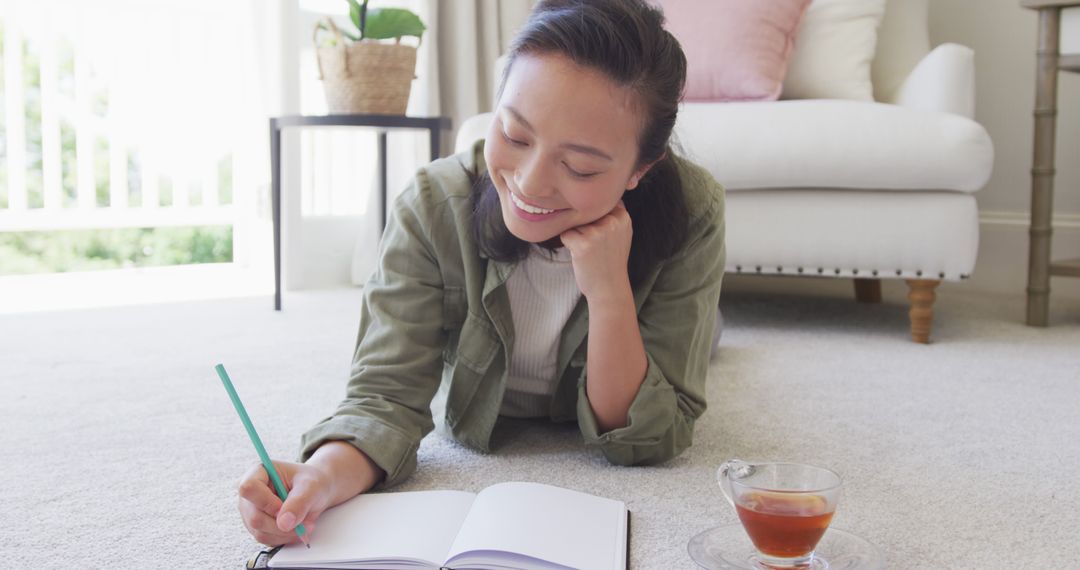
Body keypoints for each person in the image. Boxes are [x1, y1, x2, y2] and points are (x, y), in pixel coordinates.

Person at [238, 0, 725, 546]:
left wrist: (610, 292)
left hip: (636, 309)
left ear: (641, 169)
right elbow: (384, 398)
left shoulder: (692, 209)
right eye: (515, 135)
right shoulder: (430, 204)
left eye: (580, 166)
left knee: (710, 345)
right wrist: (319, 479)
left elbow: (649, 436)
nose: (531, 183)